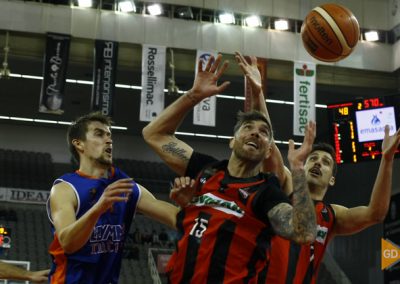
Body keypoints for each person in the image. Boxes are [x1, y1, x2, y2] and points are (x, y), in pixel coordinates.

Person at [143, 53, 318, 282]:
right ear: (232, 140)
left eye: (264, 132)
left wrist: (297, 170)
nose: (255, 132)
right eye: (247, 127)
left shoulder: (266, 193)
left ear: (268, 150)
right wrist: (194, 95)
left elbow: (304, 233)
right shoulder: (206, 171)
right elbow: (154, 135)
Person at [46, 112, 180, 284]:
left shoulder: (124, 185)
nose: (108, 140)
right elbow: (68, 243)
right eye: (99, 134)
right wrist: (99, 207)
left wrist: (188, 204)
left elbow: (176, 217)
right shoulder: (65, 188)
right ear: (79, 144)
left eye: (109, 135)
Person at [259, 128, 400, 283]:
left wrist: (387, 159)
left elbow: (376, 213)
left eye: (325, 162)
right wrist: (259, 105)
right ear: (303, 168)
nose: (318, 163)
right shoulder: (285, 188)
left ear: (332, 180)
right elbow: (269, 148)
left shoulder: (332, 215)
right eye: (312, 159)